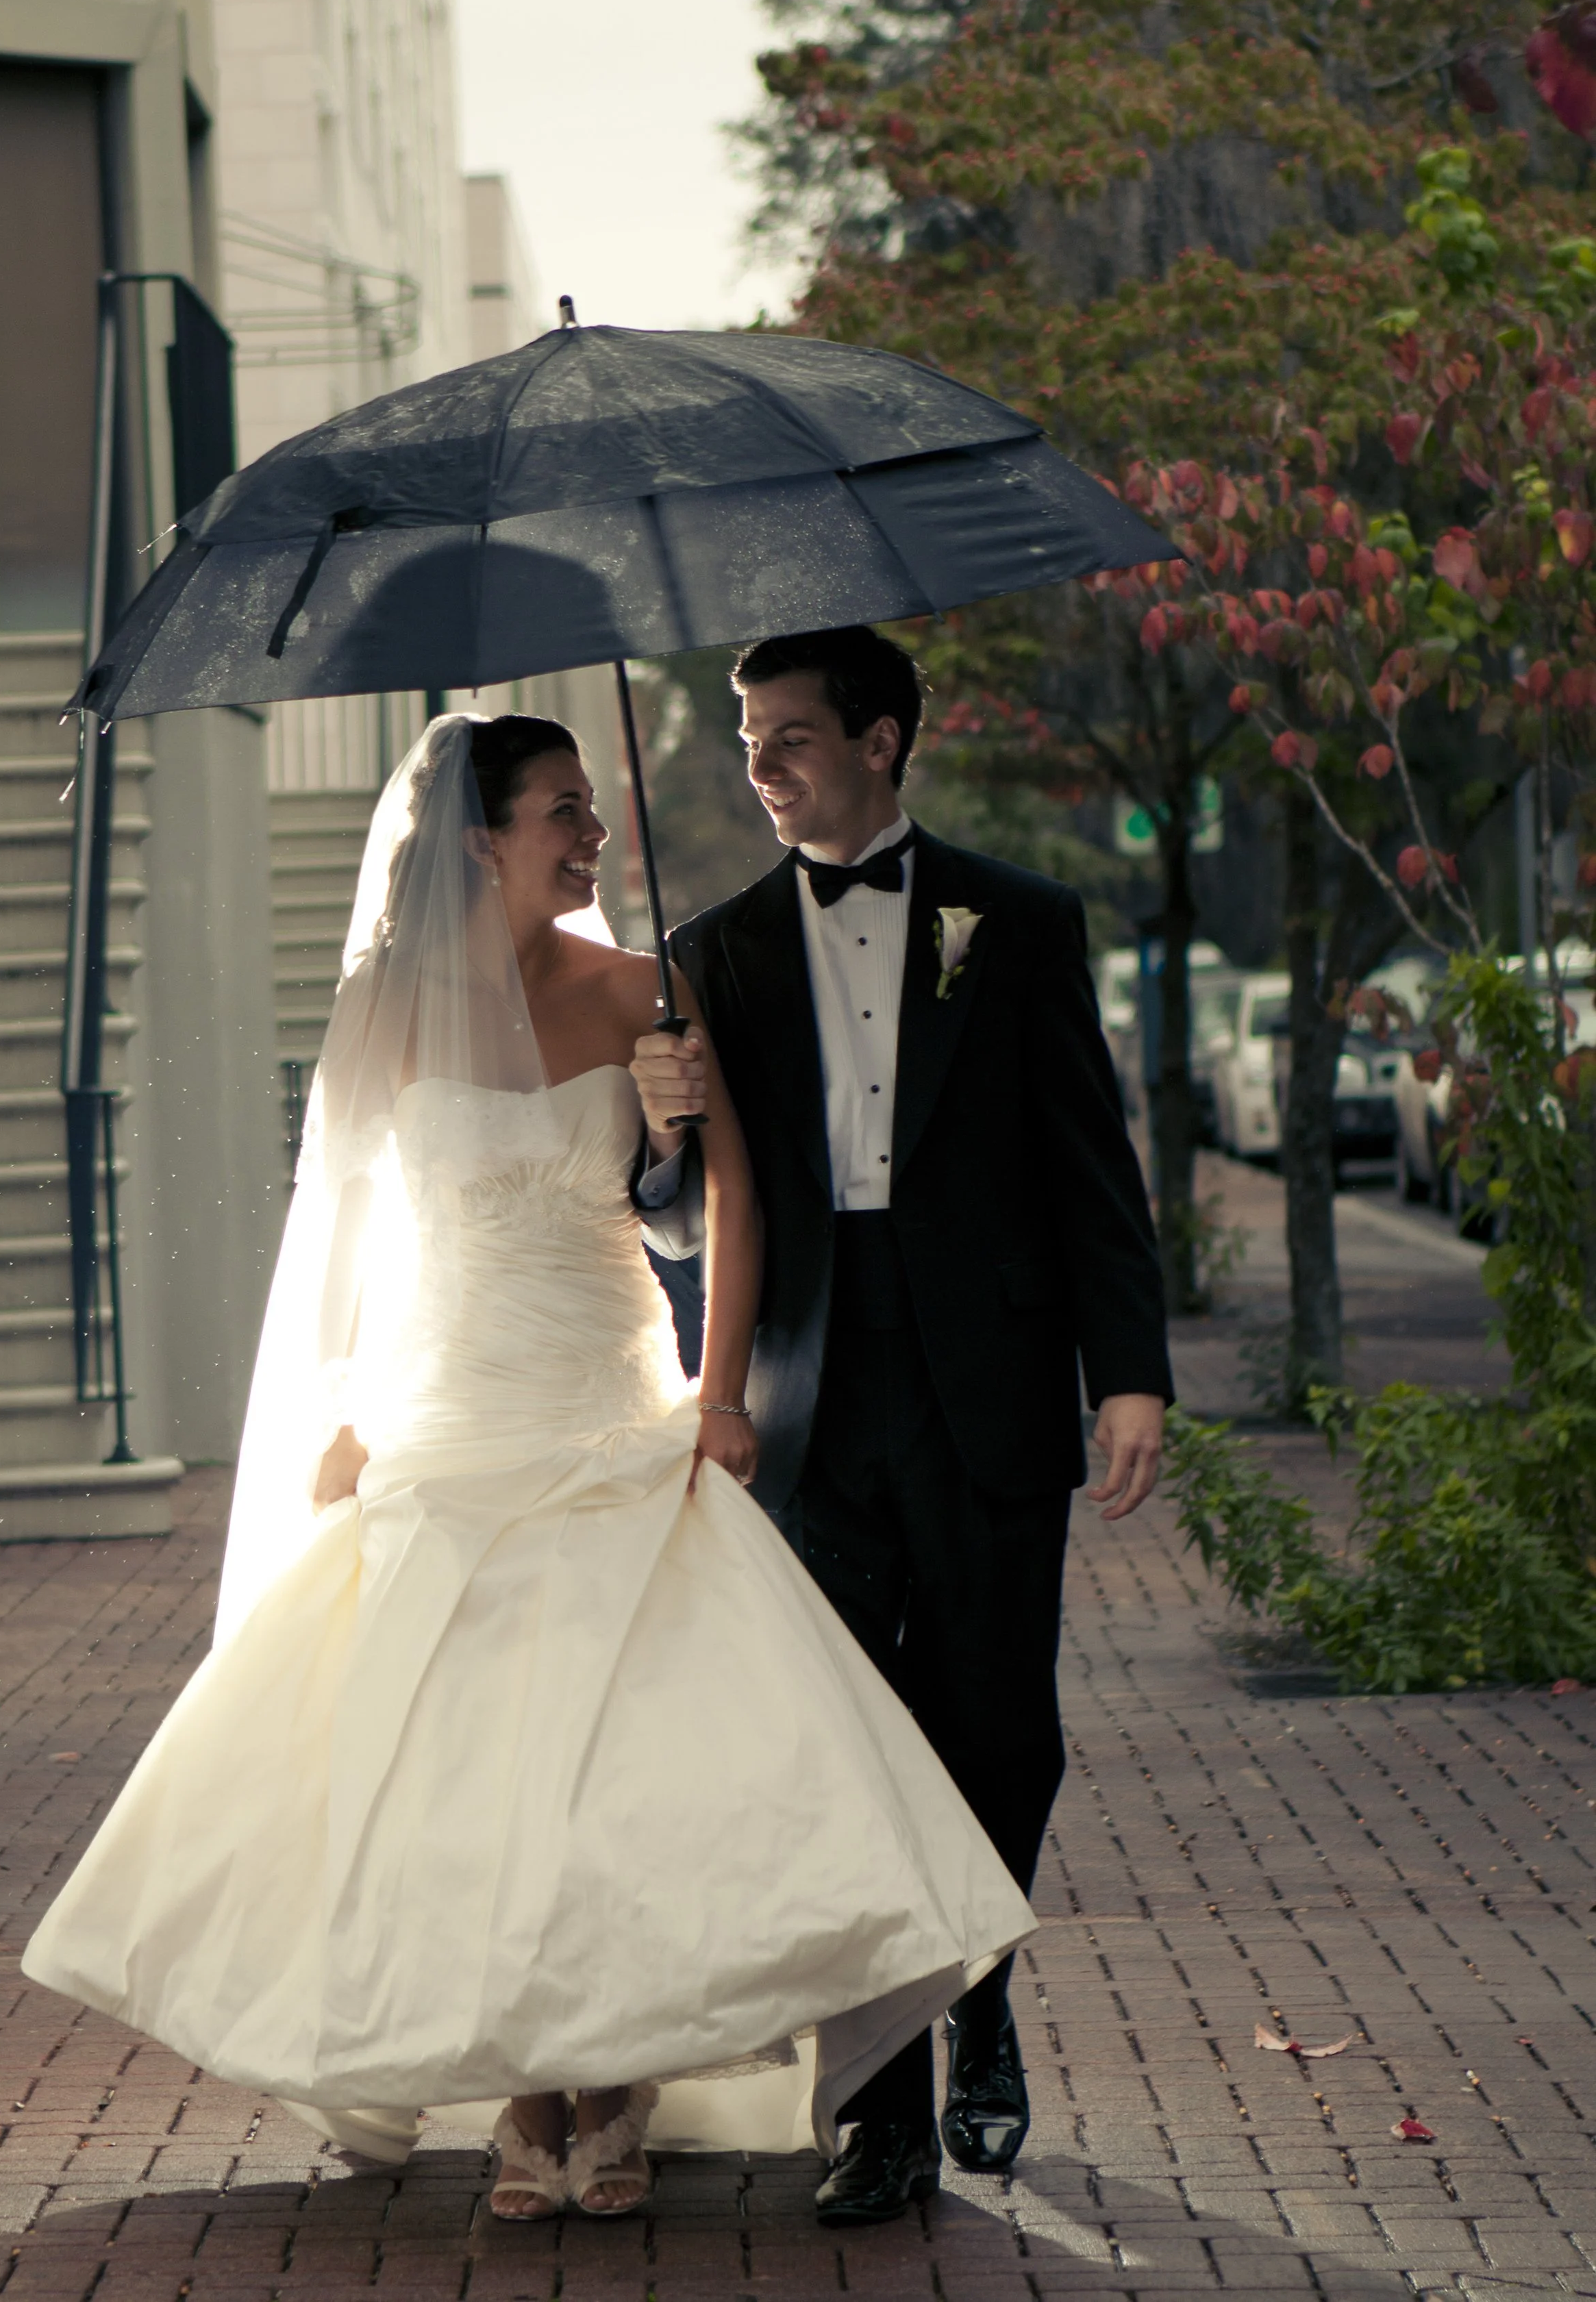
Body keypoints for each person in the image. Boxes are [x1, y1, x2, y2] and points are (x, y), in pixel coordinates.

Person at [23, 710, 1031, 2227]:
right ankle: (524, 2088)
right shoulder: (378, 1008)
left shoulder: (648, 990)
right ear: (477, 836)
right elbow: (351, 1226)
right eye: (563, 813)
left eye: (590, 812)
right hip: (449, 1418)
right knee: (464, 1768)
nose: (591, 836)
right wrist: (347, 1406)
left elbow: (730, 1209)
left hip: (609, 1407)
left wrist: (713, 1385)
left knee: (613, 1766)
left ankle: (610, 2085)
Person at [634, 627, 1173, 2228]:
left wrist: (1125, 1371)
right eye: (746, 740)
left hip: (988, 1390)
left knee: (1002, 1730)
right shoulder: (711, 947)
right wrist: (659, 1128)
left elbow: (1090, 1163)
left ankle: (976, 1986)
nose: (760, 765)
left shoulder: (1014, 923)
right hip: (806, 1400)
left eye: (789, 736)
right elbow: (671, 1212)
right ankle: (874, 2114)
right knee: (835, 1754)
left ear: (880, 739)